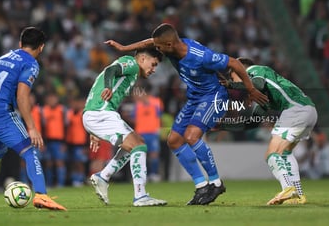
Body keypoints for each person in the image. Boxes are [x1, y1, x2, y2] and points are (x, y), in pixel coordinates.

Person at [105, 23, 268, 205]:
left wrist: (250, 89)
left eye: (159, 47)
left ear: (169, 45)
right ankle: (201, 186)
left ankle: (215, 182)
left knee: (191, 136)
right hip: (194, 98)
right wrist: (123, 48)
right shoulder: (170, 47)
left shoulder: (200, 56)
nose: (156, 49)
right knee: (174, 140)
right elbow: (149, 42)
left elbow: (234, 63)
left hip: (213, 97)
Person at [0, 26, 66, 211]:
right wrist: (31, 127)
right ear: (41, 47)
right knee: (30, 150)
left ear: (20, 43)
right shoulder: (31, 63)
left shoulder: (3, 57)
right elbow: (22, 97)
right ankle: (41, 195)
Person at [223, 57, 317, 205]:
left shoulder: (255, 70)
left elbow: (257, 83)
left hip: (295, 111)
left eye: (232, 74)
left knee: (272, 153)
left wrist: (231, 84)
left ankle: (288, 189)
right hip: (308, 110)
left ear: (240, 69)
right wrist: (227, 126)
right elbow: (255, 118)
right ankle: (298, 195)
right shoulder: (265, 89)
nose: (231, 77)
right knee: (285, 153)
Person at [83, 48, 167, 207]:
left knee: (135, 144)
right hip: (101, 114)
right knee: (139, 145)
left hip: (96, 114)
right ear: (142, 58)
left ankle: (103, 176)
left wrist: (92, 128)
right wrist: (108, 87)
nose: (153, 70)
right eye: (153, 64)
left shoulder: (133, 74)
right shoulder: (132, 64)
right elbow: (110, 70)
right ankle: (140, 196)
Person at [132, 82, 163, 182]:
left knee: (154, 154)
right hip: (140, 133)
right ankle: (142, 175)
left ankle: (153, 174)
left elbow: (159, 114)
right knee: (141, 155)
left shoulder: (156, 102)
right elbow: (134, 118)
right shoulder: (137, 104)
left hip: (153, 132)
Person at [41, 92, 67, 187]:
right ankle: (49, 183)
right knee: (48, 163)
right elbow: (41, 126)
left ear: (57, 99)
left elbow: (66, 126)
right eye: (50, 99)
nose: (52, 101)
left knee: (59, 162)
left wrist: (65, 142)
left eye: (53, 98)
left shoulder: (62, 110)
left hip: (59, 141)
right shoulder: (43, 110)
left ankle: (60, 183)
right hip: (47, 141)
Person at [65, 97, 88, 187]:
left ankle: (81, 180)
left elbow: (87, 130)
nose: (75, 105)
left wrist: (86, 145)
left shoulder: (83, 114)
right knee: (73, 162)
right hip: (71, 142)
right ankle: (75, 179)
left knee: (80, 162)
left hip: (81, 142)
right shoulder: (69, 113)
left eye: (77, 103)